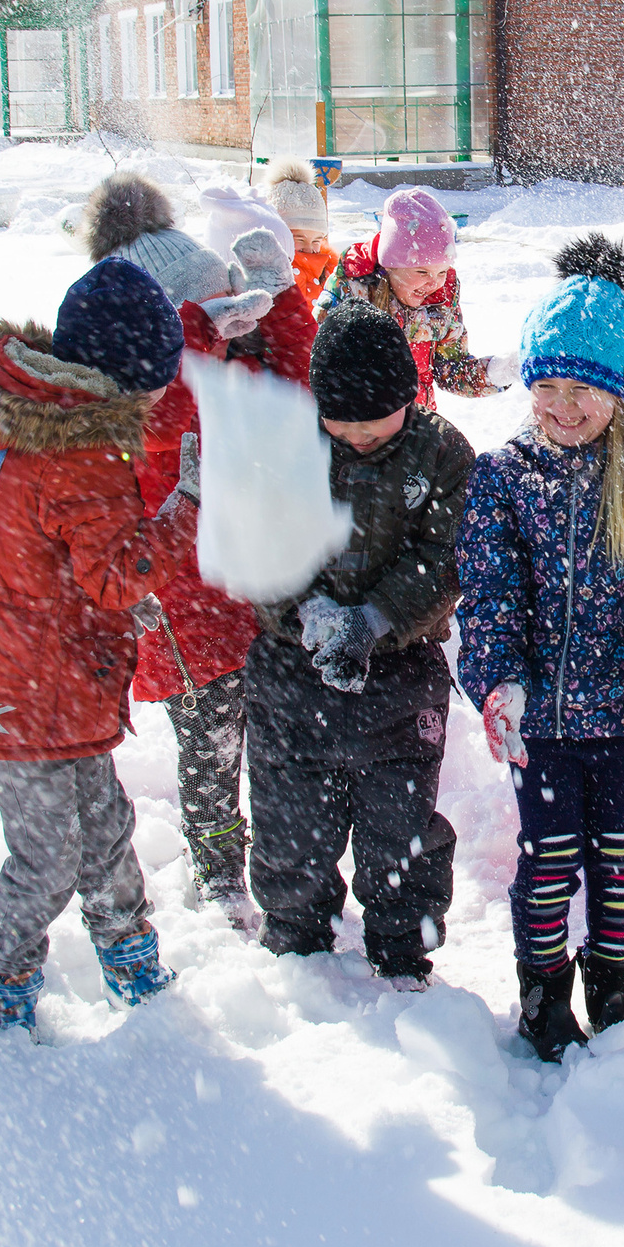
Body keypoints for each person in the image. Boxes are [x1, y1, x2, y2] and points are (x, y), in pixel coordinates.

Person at [0, 259, 200, 1031]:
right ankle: (1, 986)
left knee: (103, 829)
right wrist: (185, 510)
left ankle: (131, 959)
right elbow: (116, 573)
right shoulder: (82, 448)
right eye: (153, 382)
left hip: (42, 677)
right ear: (123, 375)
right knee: (50, 854)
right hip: (20, 698)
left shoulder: (38, 421)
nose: (157, 399)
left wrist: (104, 613)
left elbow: (47, 560)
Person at [456, 235, 624, 1060]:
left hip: (621, 717)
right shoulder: (504, 477)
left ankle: (612, 985)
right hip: (540, 721)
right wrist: (499, 682)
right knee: (548, 857)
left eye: (585, 390)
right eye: (549, 386)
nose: (565, 406)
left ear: (620, 393)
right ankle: (542, 993)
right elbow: (489, 594)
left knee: (615, 858)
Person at [81, 173, 308, 910]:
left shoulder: (226, 363)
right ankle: (218, 877)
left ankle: (275, 866)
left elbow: (299, 393)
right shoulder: (144, 397)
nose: (230, 324)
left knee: (272, 748)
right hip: (182, 608)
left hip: (251, 589)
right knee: (212, 753)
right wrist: (206, 332)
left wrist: (282, 304)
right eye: (214, 316)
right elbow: (178, 426)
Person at [244, 301, 475, 985]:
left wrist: (373, 620)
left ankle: (403, 944)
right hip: (294, 671)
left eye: (375, 422)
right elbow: (261, 545)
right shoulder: (286, 449)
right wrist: (310, 614)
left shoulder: (441, 452)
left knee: (399, 822)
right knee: (291, 822)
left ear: (408, 397)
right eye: (341, 421)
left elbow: (446, 556)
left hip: (400, 673)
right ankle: (296, 938)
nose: (357, 434)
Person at [317, 185, 515, 407]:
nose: (434, 282)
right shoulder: (353, 288)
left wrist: (495, 373)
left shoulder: (443, 294)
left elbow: (450, 370)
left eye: (442, 271)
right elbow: (323, 365)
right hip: (359, 419)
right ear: (390, 266)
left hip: (416, 421)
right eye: (422, 271)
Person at [263, 159, 340, 309]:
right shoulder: (269, 277)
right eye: (300, 239)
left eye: (316, 241)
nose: (309, 248)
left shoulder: (331, 275)